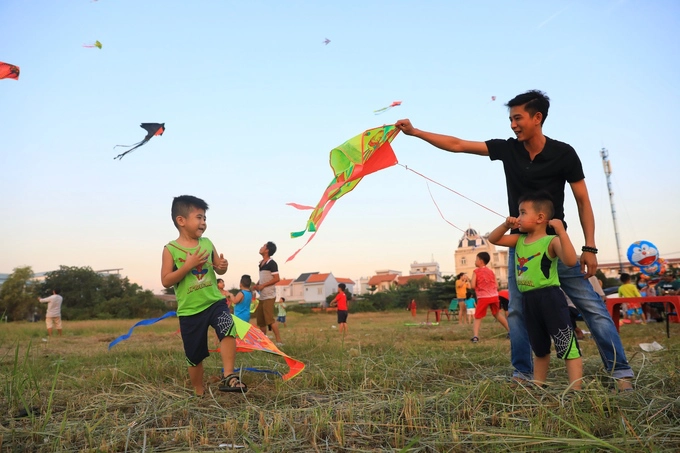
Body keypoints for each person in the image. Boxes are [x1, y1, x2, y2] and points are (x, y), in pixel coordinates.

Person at [396, 90, 634, 390]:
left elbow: (583, 201)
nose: (513, 125)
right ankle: (522, 374)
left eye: (518, 118)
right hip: (521, 247)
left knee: (592, 307)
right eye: (510, 119)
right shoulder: (508, 150)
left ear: (538, 118)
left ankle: (620, 373)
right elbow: (458, 145)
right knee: (518, 311)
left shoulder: (564, 154)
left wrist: (589, 246)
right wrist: (415, 132)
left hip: (554, 245)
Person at [488, 193, 582, 390]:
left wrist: (562, 233)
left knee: (565, 342)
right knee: (539, 346)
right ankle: (538, 384)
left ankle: (576, 389)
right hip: (528, 299)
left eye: (523, 212)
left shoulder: (552, 241)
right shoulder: (519, 240)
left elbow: (571, 261)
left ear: (540, 218)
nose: (519, 217)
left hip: (550, 298)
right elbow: (493, 239)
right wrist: (506, 224)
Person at [160, 195, 246, 395]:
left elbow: (218, 268)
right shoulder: (170, 250)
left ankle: (228, 375)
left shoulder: (207, 243)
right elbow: (166, 280)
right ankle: (198, 390)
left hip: (214, 301)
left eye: (205, 218)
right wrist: (187, 266)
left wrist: (223, 266)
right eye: (199, 217)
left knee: (227, 326)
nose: (203, 223)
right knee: (194, 355)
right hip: (190, 310)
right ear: (181, 221)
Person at [470, 252, 510, 342]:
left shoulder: (476, 272)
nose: (475, 261)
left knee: (478, 317)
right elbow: (497, 285)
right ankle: (510, 331)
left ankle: (475, 336)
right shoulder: (491, 272)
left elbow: (472, 285)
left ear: (480, 261)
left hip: (483, 297)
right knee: (497, 314)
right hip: (494, 296)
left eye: (476, 259)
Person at [253, 241, 283, 345]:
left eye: (263, 246)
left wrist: (263, 285)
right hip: (262, 296)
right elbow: (263, 278)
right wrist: (257, 284)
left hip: (269, 296)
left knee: (269, 319)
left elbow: (277, 278)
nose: (261, 247)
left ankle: (279, 341)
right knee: (261, 321)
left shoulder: (272, 263)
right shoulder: (261, 263)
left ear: (267, 250)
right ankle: (263, 342)